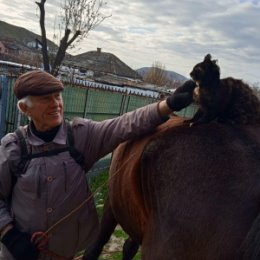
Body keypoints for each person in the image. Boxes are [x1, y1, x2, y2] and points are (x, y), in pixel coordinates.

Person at [0, 70, 196, 260]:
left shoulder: (80, 136)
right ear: (24, 108)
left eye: (57, 96)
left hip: (64, 254)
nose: (55, 104)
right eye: (45, 99)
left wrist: (168, 105)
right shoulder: (13, 148)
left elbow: (125, 124)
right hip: (18, 254)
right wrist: (9, 235)